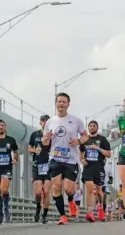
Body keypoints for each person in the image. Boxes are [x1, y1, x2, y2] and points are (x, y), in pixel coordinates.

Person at [42, 92, 88, 225]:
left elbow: (85, 136)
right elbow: (44, 142)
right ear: (56, 104)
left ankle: (71, 199)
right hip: (55, 158)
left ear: (68, 104)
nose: (61, 104)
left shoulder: (76, 120)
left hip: (71, 159)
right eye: (59, 101)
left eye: (64, 102)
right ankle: (63, 216)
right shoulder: (50, 121)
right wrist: (46, 138)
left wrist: (78, 141)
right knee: (56, 187)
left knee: (69, 189)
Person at [80, 120, 111, 222]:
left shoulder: (103, 139)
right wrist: (81, 159)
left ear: (97, 128)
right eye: (90, 126)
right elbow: (81, 151)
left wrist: (98, 149)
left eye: (94, 126)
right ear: (88, 128)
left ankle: (101, 206)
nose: (92, 127)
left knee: (99, 192)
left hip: (99, 168)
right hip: (88, 168)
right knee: (89, 189)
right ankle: (90, 212)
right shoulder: (85, 140)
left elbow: (109, 154)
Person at [28, 114, 52, 223]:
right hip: (37, 165)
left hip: (49, 166)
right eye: (43, 120)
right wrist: (34, 151)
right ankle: (38, 207)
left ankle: (45, 215)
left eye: (47, 120)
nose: (45, 122)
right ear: (40, 122)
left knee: (46, 191)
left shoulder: (53, 136)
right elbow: (29, 148)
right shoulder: (35, 134)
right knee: (38, 192)